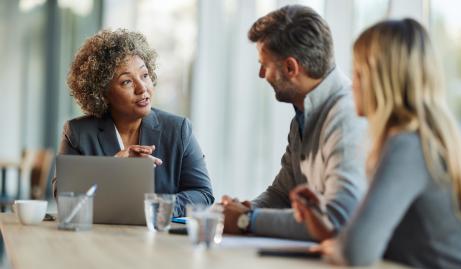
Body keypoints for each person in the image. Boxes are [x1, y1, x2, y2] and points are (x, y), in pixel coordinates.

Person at [291, 18, 461, 268]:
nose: (353, 84)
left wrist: (343, 246)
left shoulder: (407, 146)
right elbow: (390, 243)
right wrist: (329, 231)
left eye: (358, 73)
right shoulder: (424, 140)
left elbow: (356, 253)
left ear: (381, 80)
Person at [221, 5, 367, 241]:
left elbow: (337, 218)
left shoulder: (347, 117)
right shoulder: (302, 113)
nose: (261, 74)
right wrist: (243, 209)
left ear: (290, 67)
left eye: (264, 65)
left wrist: (246, 220)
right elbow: (282, 193)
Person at [53, 29, 214, 217]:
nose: (142, 88)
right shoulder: (77, 133)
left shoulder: (178, 130)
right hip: (98, 239)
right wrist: (113, 167)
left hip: (158, 241)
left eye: (144, 75)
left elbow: (203, 194)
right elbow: (64, 198)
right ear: (102, 93)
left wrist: (155, 208)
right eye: (127, 82)